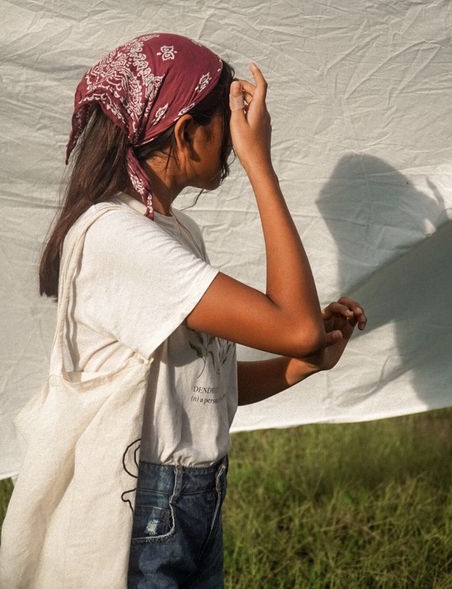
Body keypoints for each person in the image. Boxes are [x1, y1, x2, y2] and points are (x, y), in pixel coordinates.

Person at [39, 32, 367, 588]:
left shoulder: (173, 233)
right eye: (226, 127)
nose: (236, 149)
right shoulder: (118, 235)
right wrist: (261, 164)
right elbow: (296, 324)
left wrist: (304, 361)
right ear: (188, 131)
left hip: (192, 497)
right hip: (146, 507)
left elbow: (204, 388)